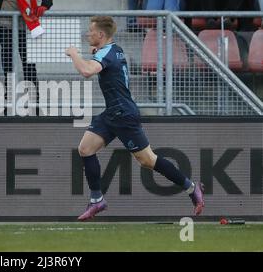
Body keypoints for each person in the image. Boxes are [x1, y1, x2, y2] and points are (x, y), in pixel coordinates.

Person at [65, 16, 204, 221]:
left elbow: (86, 71)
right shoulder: (115, 49)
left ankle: (191, 188)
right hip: (113, 112)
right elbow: (103, 59)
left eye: (91, 30)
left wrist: (74, 54)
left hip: (123, 115)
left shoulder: (106, 53)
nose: (88, 34)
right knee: (85, 149)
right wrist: (91, 54)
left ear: (101, 34)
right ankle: (97, 200)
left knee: (148, 160)